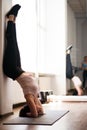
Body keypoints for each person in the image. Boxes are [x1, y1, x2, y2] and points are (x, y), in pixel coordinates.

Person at [3, 4, 44, 117]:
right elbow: (41, 111)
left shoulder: (29, 96)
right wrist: (38, 110)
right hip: (19, 69)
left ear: (29, 108)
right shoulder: (35, 97)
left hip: (11, 70)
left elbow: (35, 114)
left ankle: (11, 17)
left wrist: (31, 113)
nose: (39, 108)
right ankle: (13, 19)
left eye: (35, 107)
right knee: (15, 43)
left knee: (11, 42)